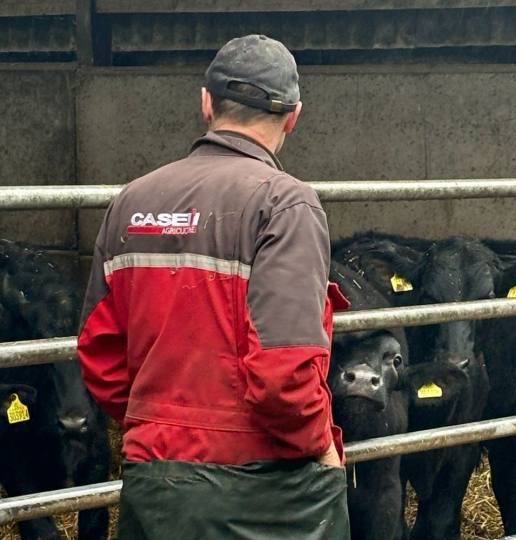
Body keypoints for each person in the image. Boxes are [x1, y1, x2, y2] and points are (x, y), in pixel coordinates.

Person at [77, 34, 350, 540]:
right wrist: (323, 448)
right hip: (268, 489)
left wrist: (158, 423)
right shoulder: (286, 206)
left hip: (153, 480)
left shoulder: (131, 201)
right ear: (293, 116)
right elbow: (284, 373)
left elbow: (99, 351)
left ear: (206, 103)